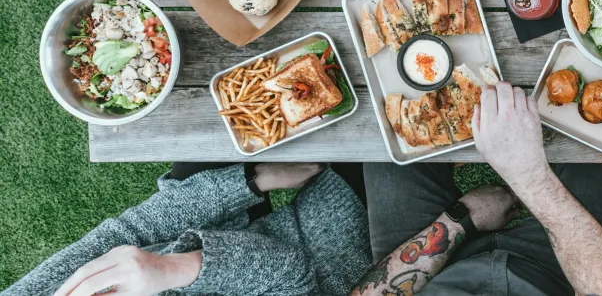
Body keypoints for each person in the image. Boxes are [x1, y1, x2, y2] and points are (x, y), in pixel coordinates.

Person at [353, 81, 602, 296]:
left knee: (386, 125)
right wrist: (530, 176)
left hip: (429, 275)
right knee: (600, 136)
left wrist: (460, 221)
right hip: (556, 273)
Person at [2, 162, 369, 296]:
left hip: (221, 227)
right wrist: (172, 270)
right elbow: (291, 274)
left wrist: (250, 182)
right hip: (325, 254)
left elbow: (133, 230)